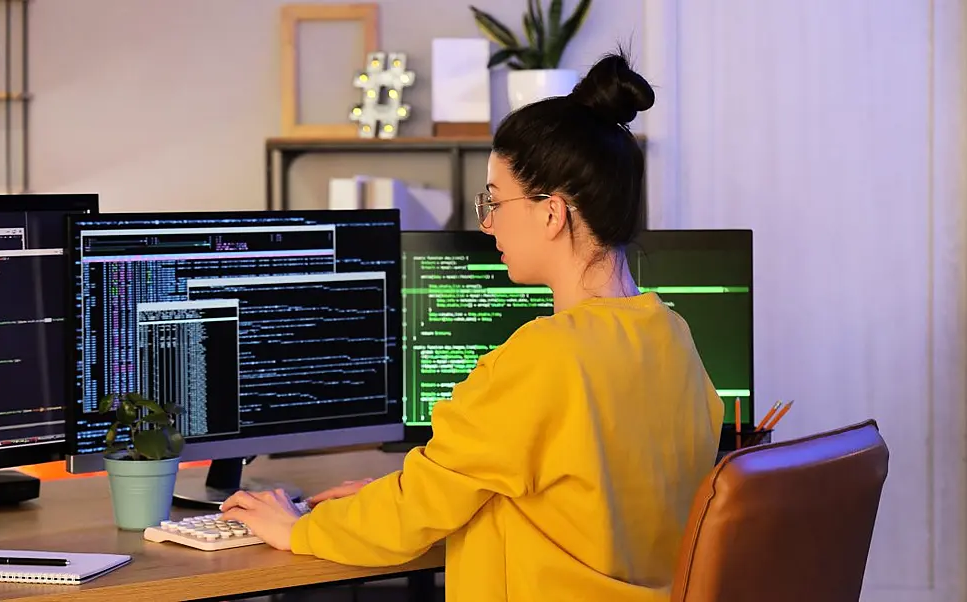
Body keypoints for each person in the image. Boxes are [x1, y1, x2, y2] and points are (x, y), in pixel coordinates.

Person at [220, 50, 725, 602]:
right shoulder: (672, 333)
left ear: (551, 212)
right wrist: (389, 493)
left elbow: (414, 513)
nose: (487, 224)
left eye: (494, 201)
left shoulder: (543, 356)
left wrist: (297, 529)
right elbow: (564, 491)